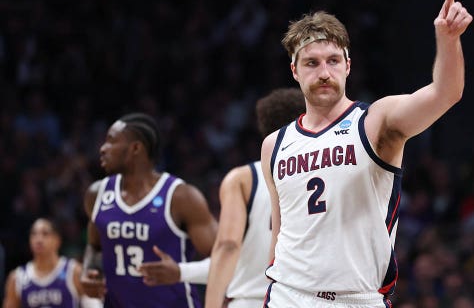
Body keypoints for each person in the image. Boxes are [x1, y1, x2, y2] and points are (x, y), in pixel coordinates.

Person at [260, 0, 472, 306]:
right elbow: (279, 229)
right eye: (312, 63)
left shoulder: (375, 121)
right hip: (287, 295)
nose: (324, 72)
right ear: (295, 71)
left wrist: (449, 39)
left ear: (348, 65)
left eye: (333, 61)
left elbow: (445, 93)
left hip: (357, 298)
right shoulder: (274, 144)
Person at [135, 88, 306, 308]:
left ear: (263, 128)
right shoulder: (329, 175)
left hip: (250, 301)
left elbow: (228, 248)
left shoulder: (244, 179)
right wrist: (181, 271)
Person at [80, 113, 217, 308]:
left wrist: (180, 271)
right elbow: (94, 246)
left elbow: (225, 257)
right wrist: (89, 270)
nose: (102, 149)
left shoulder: (180, 197)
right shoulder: (97, 194)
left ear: (135, 148)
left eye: (111, 141)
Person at [3, 218, 100, 308]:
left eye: (45, 234)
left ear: (57, 240)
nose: (39, 239)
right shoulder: (17, 278)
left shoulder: (74, 271)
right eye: (34, 234)